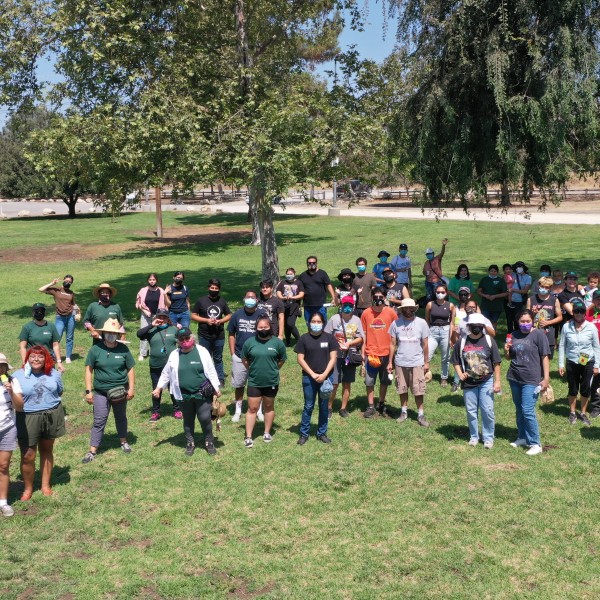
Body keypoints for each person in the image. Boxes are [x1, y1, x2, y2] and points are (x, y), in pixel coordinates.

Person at [153, 328, 222, 456]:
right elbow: (166, 373)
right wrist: (159, 388)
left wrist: (216, 388)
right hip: (183, 394)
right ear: (178, 341)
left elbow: (211, 370)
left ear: (192, 338)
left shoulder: (202, 351)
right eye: (181, 339)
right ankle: (190, 443)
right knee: (188, 419)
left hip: (202, 392)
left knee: (205, 417)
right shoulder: (174, 354)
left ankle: (209, 441)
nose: (185, 341)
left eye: (187, 338)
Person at [13, 345, 65, 499]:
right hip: (27, 417)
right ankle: (28, 488)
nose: (36, 359)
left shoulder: (54, 374)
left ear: (46, 358)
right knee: (28, 454)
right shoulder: (18, 375)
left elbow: (59, 391)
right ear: (27, 358)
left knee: (46, 450)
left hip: (51, 414)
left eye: (40, 356)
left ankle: (45, 485)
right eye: (33, 356)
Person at [81, 319, 135, 463]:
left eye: (114, 333)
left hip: (119, 391)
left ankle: (123, 441)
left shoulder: (124, 349)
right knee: (99, 420)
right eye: (109, 333)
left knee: (121, 417)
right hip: (101, 392)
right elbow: (88, 370)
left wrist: (131, 388)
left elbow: (130, 369)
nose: (111, 335)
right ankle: (92, 450)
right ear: (104, 333)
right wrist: (88, 391)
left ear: (118, 334)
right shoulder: (95, 350)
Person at [504, 309, 550, 456]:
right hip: (514, 377)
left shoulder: (538, 335)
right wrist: (506, 350)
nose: (525, 324)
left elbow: (545, 356)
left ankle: (536, 443)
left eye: (528, 321)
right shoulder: (514, 335)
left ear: (532, 321)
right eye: (522, 321)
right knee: (519, 409)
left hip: (531, 379)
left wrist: (546, 378)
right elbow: (508, 357)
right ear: (518, 322)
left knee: (528, 410)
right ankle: (522, 437)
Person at [451, 314, 501, 448]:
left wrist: (497, 381)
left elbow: (496, 362)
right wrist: (460, 373)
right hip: (469, 383)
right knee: (471, 410)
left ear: (483, 327)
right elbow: (455, 360)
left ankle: (488, 437)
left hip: (486, 380)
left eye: (479, 326)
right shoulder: (462, 341)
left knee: (487, 409)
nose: (476, 328)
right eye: (474, 326)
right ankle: (474, 436)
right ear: (469, 327)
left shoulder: (489, 340)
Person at [241, 316, 287, 447]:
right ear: (256, 328)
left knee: (268, 406)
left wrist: (273, 369)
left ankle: (267, 432)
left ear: (270, 327)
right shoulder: (249, 342)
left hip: (271, 381)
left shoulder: (277, 343)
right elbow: (244, 359)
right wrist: (252, 369)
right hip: (255, 381)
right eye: (260, 327)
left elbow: (282, 359)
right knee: (252, 408)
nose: (263, 329)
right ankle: (248, 436)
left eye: (265, 327)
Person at [295, 312, 338, 445]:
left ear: (323, 323)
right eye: (314, 321)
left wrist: (324, 374)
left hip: (326, 377)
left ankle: (322, 433)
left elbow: (333, 358)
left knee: (324, 406)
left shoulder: (330, 338)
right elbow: (300, 359)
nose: (316, 324)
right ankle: (304, 433)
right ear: (309, 323)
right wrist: (312, 374)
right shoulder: (303, 339)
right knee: (308, 406)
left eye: (319, 322)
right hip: (309, 378)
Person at [388, 298, 431, 426]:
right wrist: (390, 362)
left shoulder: (422, 323)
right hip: (400, 361)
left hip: (417, 361)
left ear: (414, 309)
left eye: (410, 308)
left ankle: (421, 414)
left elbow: (425, 344)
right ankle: (403, 412)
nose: (408, 310)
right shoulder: (395, 324)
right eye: (405, 308)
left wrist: (426, 362)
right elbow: (392, 344)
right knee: (402, 388)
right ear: (402, 310)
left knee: (418, 390)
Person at [228, 291, 267, 422]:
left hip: (258, 357)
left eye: (253, 297)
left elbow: (266, 333)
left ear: (257, 300)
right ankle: (238, 411)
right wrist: (233, 353)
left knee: (259, 384)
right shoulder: (237, 315)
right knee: (239, 385)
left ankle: (259, 411)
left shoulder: (262, 314)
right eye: (248, 297)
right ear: (244, 299)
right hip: (239, 356)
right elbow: (231, 334)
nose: (250, 299)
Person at [559, 301, 600, 426]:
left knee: (585, 388)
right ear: (572, 313)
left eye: (581, 311)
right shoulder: (566, 327)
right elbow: (562, 345)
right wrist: (561, 363)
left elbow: (596, 347)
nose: (579, 314)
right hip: (572, 360)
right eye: (576, 311)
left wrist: (597, 365)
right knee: (572, 388)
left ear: (585, 312)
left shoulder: (591, 327)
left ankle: (582, 413)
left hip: (588, 361)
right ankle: (572, 412)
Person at [137, 308, 181, 421]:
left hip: (171, 365)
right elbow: (139, 334)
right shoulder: (151, 330)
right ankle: (156, 412)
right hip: (156, 365)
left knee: (173, 387)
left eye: (164, 317)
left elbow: (186, 338)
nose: (162, 319)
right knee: (156, 388)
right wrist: (151, 325)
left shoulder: (173, 329)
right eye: (159, 317)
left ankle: (177, 410)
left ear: (168, 318)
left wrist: (181, 328)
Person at [324, 297, 364, 418]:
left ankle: (343, 408)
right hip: (335, 355)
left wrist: (349, 344)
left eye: (349, 305)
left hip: (349, 355)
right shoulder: (334, 319)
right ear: (341, 305)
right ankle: (329, 407)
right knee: (334, 382)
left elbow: (360, 337)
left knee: (347, 383)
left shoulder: (357, 320)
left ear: (353, 307)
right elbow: (326, 335)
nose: (347, 307)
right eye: (345, 305)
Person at [360, 290, 398, 417]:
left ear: (384, 298)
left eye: (380, 297)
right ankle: (370, 406)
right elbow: (363, 335)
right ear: (371, 297)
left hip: (387, 353)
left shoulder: (391, 313)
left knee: (385, 381)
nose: (378, 299)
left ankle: (381, 403)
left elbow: (396, 333)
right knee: (369, 381)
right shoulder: (366, 313)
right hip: (372, 353)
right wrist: (363, 353)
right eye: (375, 297)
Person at [191, 278, 232, 385]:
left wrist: (220, 321)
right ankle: (206, 378)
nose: (214, 290)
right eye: (212, 288)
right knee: (206, 358)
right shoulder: (201, 301)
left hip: (219, 335)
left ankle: (220, 378)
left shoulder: (222, 301)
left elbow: (229, 315)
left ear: (219, 289)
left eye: (216, 288)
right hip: (204, 335)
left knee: (218, 358)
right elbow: (193, 315)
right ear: (208, 288)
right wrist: (206, 320)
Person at [0, 353, 22, 516]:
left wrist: (11, 391)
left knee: (3, 465)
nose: (0, 368)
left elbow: (19, 407)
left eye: (3, 365)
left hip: (7, 428)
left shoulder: (12, 381)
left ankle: (3, 502)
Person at [38, 275, 77, 364]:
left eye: (70, 282)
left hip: (71, 317)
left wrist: (77, 313)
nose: (68, 282)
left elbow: (74, 304)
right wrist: (52, 283)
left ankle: (68, 357)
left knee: (69, 337)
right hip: (60, 317)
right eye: (66, 280)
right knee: (57, 337)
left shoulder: (71, 293)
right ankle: (54, 356)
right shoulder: (56, 290)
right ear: (63, 280)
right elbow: (41, 289)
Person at [19, 303, 64, 372]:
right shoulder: (27, 327)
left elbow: (55, 345)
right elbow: (22, 347)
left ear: (45, 312)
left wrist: (59, 361)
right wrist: (24, 363)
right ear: (33, 313)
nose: (39, 313)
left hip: (48, 361)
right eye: (37, 311)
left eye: (41, 310)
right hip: (33, 362)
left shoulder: (51, 326)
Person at [425, 284, 455, 386]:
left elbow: (452, 323)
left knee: (445, 357)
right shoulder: (430, 304)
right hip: (432, 331)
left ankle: (444, 377)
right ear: (435, 292)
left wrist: (451, 338)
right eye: (438, 292)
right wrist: (426, 334)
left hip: (445, 330)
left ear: (446, 293)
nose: (440, 294)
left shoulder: (450, 305)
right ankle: (425, 374)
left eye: (442, 292)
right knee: (427, 354)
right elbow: (427, 320)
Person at [526, 276, 562, 359]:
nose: (544, 289)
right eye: (542, 286)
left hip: (549, 334)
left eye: (547, 287)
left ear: (550, 288)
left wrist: (548, 322)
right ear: (538, 285)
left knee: (547, 359)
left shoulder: (554, 300)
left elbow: (560, 317)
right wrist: (532, 314)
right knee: (534, 359)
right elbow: (526, 318)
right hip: (534, 333)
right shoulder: (531, 299)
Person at [135, 273, 167, 362]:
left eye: (153, 280)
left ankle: (156, 351)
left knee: (157, 333)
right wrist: (145, 311)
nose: (152, 281)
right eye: (150, 280)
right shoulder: (143, 290)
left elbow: (165, 303)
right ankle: (143, 353)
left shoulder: (160, 290)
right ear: (148, 280)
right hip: (146, 315)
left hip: (157, 315)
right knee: (144, 332)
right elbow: (138, 303)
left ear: (156, 280)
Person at [298, 256, 337, 324]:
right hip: (308, 305)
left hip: (320, 305)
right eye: (309, 263)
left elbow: (329, 285)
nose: (311, 264)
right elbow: (298, 288)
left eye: (313, 262)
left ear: (316, 263)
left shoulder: (322, 273)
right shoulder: (303, 276)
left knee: (322, 324)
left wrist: (334, 297)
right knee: (309, 324)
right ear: (307, 264)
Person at [276, 268, 305, 347]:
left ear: (294, 274)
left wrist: (293, 297)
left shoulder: (299, 283)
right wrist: (282, 297)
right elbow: (278, 292)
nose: (289, 275)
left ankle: (299, 339)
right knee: (285, 325)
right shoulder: (282, 282)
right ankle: (288, 341)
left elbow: (302, 294)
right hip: (284, 306)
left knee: (290, 324)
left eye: (291, 274)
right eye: (288, 274)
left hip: (294, 307)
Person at [477, 265, 508, 331]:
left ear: (497, 272)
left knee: (494, 321)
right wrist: (485, 296)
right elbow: (479, 291)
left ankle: (492, 335)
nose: (493, 272)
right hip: (486, 305)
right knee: (485, 320)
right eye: (491, 271)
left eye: (495, 271)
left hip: (497, 305)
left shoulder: (501, 280)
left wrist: (494, 296)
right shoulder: (484, 279)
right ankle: (484, 335)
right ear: (489, 271)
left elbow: (506, 293)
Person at [585, 291, 600, 419]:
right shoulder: (587, 314)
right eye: (597, 299)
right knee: (592, 378)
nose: (599, 301)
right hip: (590, 351)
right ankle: (595, 406)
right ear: (593, 300)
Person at [507, 261, 532, 331]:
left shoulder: (528, 277)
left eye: (520, 267)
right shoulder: (513, 275)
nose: (518, 268)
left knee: (517, 318)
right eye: (517, 267)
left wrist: (513, 290)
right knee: (509, 319)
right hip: (510, 299)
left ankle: (518, 332)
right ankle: (510, 335)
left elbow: (525, 291)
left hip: (519, 301)